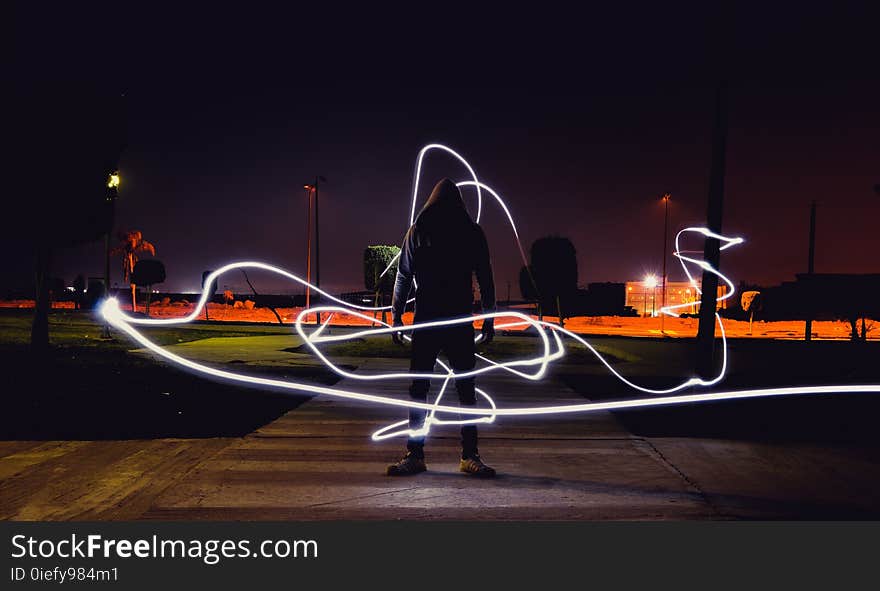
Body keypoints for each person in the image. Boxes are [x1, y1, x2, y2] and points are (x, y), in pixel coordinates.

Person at [386, 178, 497, 477]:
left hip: (446, 319)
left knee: (453, 388)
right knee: (444, 389)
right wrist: (395, 317)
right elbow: (404, 275)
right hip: (436, 318)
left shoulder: (467, 233)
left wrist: (396, 317)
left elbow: (403, 277)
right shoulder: (422, 232)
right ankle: (426, 454)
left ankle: (452, 454)